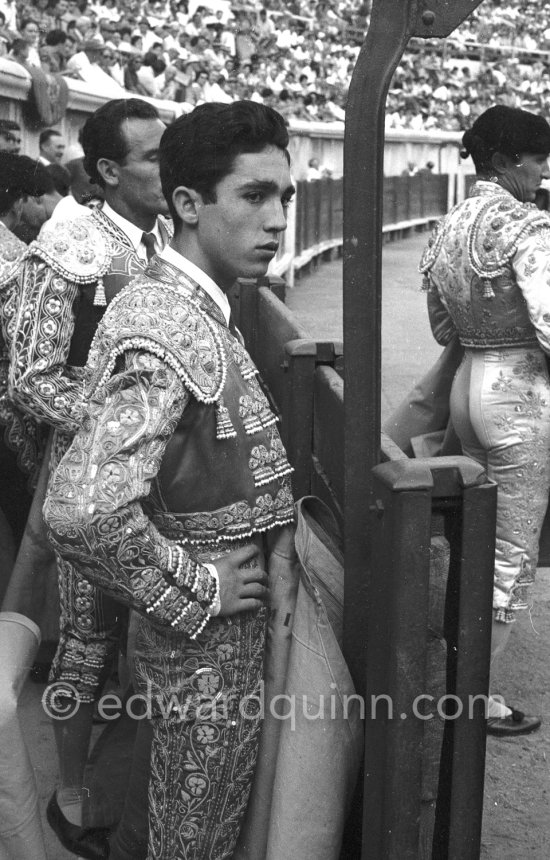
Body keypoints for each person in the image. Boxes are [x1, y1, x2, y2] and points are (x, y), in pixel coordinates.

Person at [43, 100, 296, 860]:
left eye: (285, 197)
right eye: (254, 196)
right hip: (207, 654)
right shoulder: (169, 323)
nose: (278, 220)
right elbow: (83, 512)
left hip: (197, 651)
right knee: (195, 839)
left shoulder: (180, 305)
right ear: (188, 204)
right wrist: (199, 588)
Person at [11, 97, 172, 859]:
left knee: (144, 628)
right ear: (109, 171)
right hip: (85, 470)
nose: (170, 170)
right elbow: (30, 376)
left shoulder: (156, 235)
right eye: (154, 158)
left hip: (151, 471)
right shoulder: (72, 241)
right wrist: (123, 425)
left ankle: (121, 778)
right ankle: (71, 791)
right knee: (84, 638)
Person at [420, 104, 550, 737]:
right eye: (537, 158)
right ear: (505, 161)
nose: (544, 169)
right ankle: (477, 697)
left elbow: (441, 326)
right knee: (510, 554)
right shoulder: (526, 226)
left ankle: (458, 677)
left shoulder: (450, 225)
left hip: (469, 385)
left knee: (477, 539)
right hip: (522, 397)